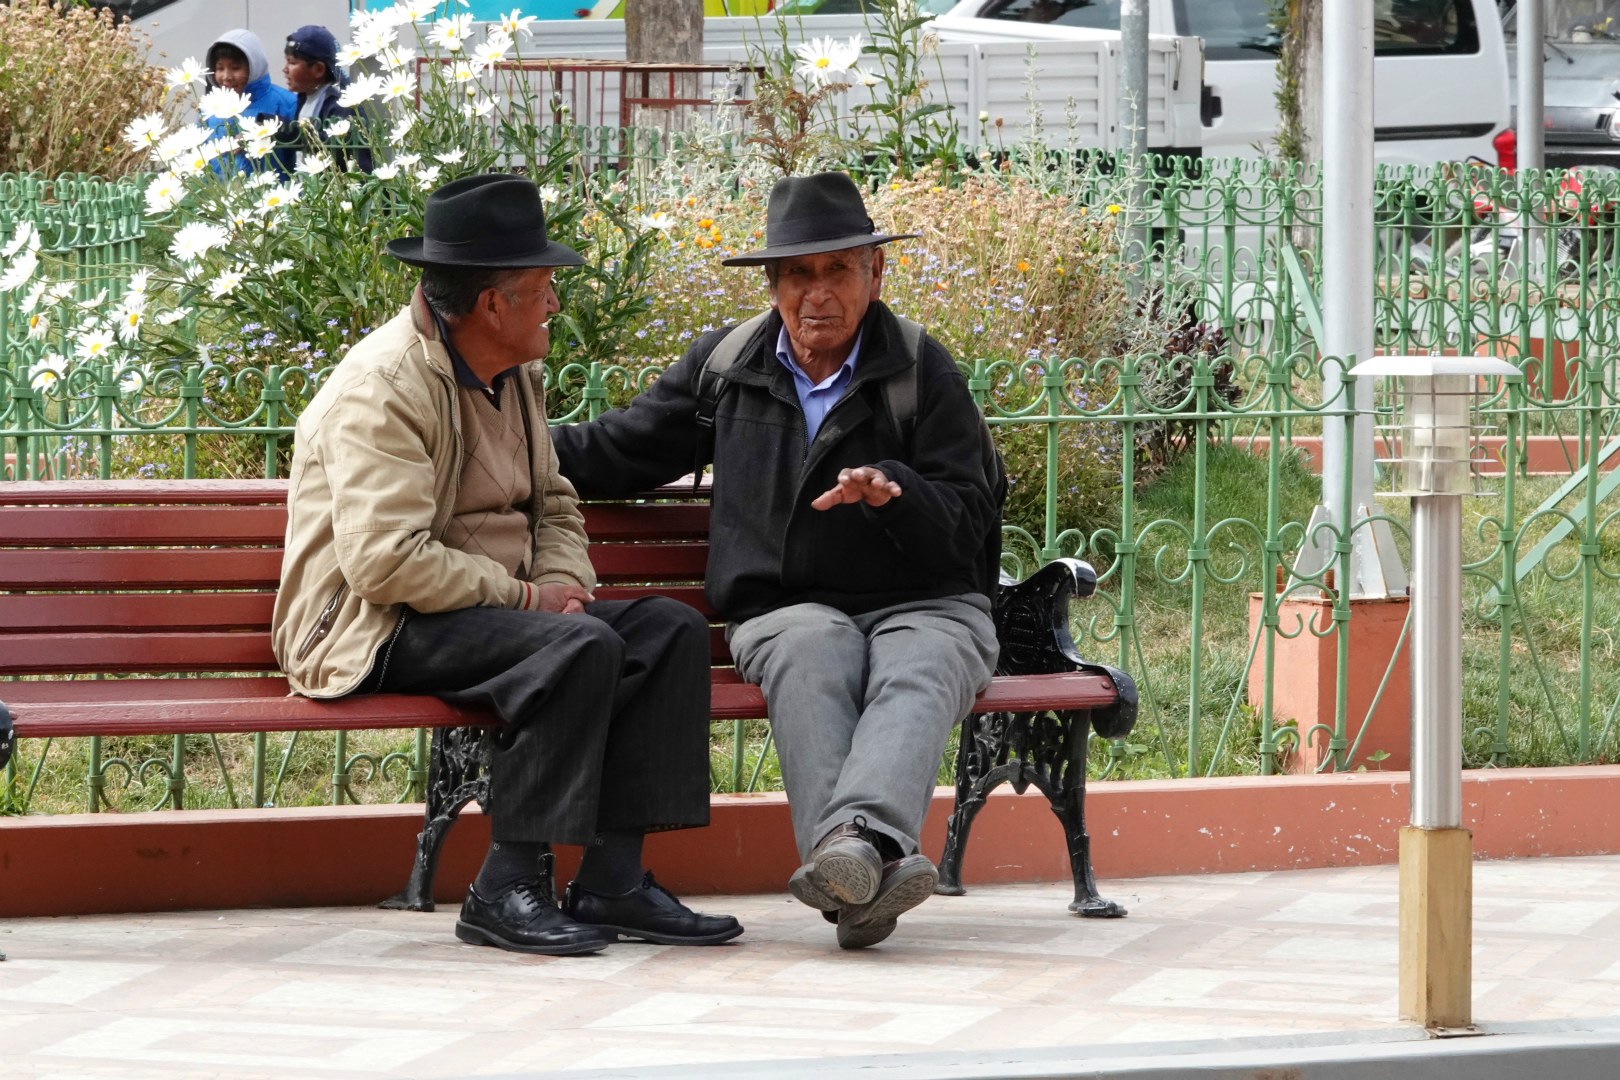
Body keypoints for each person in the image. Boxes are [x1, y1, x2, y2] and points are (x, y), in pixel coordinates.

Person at [271, 174, 742, 957]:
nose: (556, 303)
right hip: (371, 627)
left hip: (488, 613)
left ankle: (614, 879)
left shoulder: (511, 371)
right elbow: (386, 564)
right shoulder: (379, 390)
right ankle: (505, 887)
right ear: (493, 305)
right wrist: (530, 599)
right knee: (578, 647)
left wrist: (567, 589)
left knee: (667, 630)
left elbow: (554, 501)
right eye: (544, 287)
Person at [551, 171, 1002, 950]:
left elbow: (970, 527)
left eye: (837, 271)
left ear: (875, 273)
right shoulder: (727, 366)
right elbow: (617, 451)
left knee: (922, 662)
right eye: (798, 274)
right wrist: (504, 445)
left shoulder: (922, 371)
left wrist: (897, 490)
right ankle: (868, 870)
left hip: (926, 601)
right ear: (772, 284)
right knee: (813, 647)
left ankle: (849, 857)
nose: (816, 294)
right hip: (786, 607)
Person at [280, 24, 373, 173]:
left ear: (318, 69)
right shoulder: (305, 97)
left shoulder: (342, 104)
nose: (284, 69)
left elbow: (336, 147)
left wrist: (287, 130)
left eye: (292, 63)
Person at [203, 29, 297, 177]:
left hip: (274, 196)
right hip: (223, 198)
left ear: (254, 66)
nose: (226, 76)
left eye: (235, 68)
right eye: (220, 68)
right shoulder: (209, 108)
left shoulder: (287, 102)